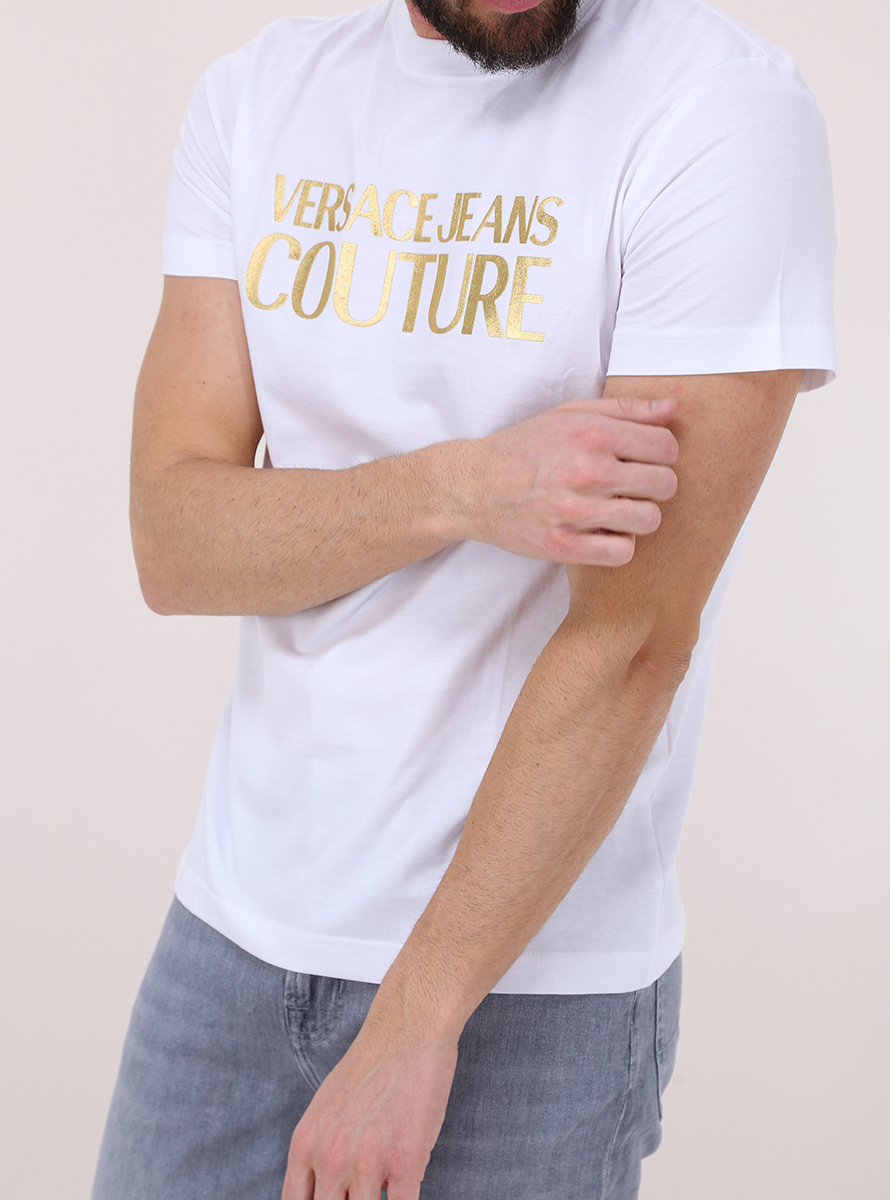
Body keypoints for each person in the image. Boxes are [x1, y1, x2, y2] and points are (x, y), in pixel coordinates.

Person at [91, 0, 836, 1196]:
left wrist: (416, 1020)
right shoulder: (256, 96)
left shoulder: (716, 106)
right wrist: (461, 488)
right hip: (228, 935)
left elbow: (633, 638)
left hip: (525, 987)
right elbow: (173, 543)